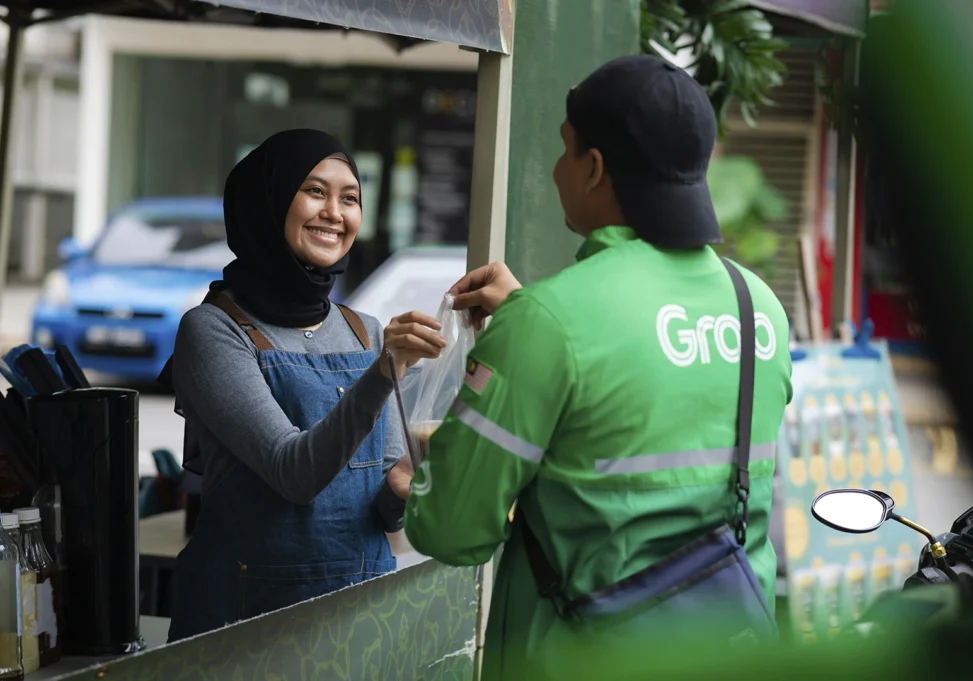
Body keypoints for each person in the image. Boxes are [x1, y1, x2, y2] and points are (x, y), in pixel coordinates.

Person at [403, 55, 794, 679]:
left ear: (594, 168)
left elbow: (452, 531)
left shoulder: (549, 323)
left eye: (564, 150)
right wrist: (537, 326)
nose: (557, 169)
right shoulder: (759, 308)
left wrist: (419, 486)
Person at [166, 129, 441, 641]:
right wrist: (382, 373)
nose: (335, 212)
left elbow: (384, 509)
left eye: (350, 197)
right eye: (315, 191)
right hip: (243, 624)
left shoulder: (366, 330)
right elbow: (293, 472)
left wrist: (407, 486)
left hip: (358, 617)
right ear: (267, 202)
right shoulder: (213, 330)